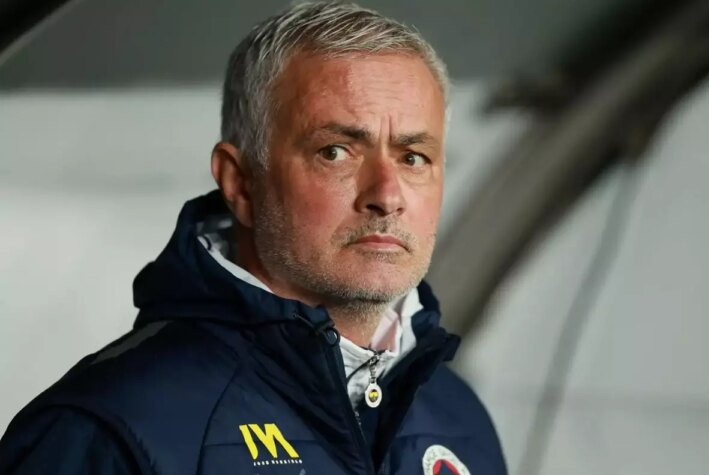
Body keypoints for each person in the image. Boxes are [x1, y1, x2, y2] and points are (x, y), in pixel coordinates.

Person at [0, 2, 506, 474]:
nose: (387, 196)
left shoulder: (460, 417)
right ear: (240, 182)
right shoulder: (108, 429)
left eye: (413, 157)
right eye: (335, 152)